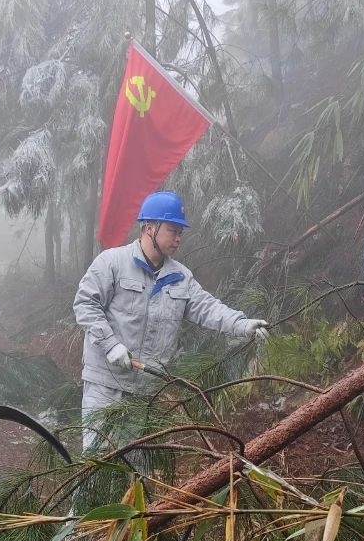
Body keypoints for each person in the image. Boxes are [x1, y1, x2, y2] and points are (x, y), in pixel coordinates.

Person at [73, 190, 270, 459]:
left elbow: (208, 308)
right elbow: (85, 305)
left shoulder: (180, 277)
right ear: (149, 227)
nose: (178, 238)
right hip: (105, 385)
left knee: (134, 470)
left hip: (144, 392)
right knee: (95, 464)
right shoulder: (112, 263)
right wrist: (110, 345)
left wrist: (242, 324)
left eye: (181, 232)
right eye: (173, 230)